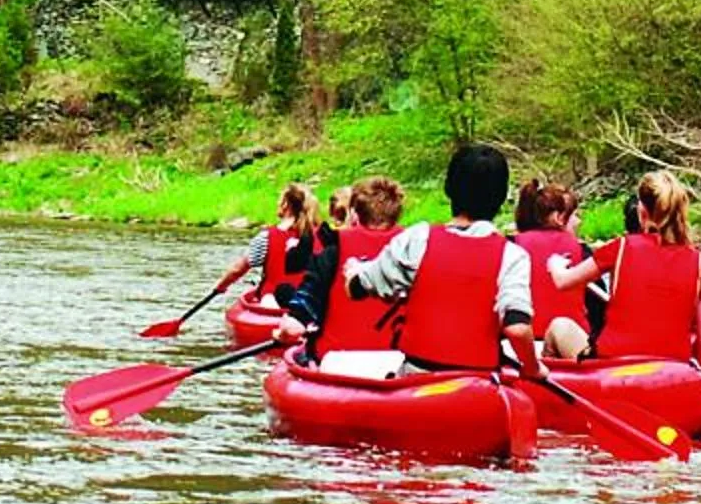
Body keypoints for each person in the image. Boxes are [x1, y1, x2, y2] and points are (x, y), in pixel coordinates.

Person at [341, 144, 543, 378]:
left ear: (448, 188)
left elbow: (359, 287)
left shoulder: (418, 239)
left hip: (415, 382)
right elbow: (517, 328)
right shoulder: (512, 256)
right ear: (502, 197)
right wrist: (533, 369)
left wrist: (354, 271)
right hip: (477, 387)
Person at [587, 170, 701, 361]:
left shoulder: (622, 246)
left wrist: (556, 266)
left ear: (641, 211)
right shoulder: (698, 261)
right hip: (673, 369)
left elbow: (564, 282)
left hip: (613, 365)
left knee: (560, 327)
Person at [284, 176, 404, 358]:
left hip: (337, 362)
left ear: (354, 213)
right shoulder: (414, 252)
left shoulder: (331, 253)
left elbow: (293, 328)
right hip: (399, 366)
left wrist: (281, 332)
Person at [511, 179, 601, 361]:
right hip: (568, 346)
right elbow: (598, 309)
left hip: (518, 346)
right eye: (575, 215)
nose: (578, 221)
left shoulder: (510, 246)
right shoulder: (582, 252)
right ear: (558, 218)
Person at [214, 183, 327, 313]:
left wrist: (220, 287)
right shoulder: (323, 236)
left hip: (273, 302)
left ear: (286, 204)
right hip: (311, 302)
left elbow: (238, 270)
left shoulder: (266, 237)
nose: (277, 203)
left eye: (279, 199)